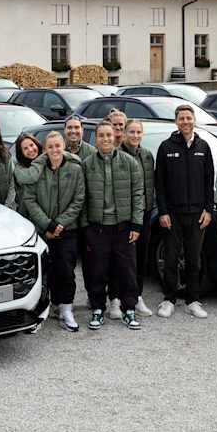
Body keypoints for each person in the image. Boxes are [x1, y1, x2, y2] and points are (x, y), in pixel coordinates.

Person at [81, 121, 144, 330]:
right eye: (101, 135)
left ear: (116, 137)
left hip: (123, 228)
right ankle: (98, 309)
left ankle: (129, 309)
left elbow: (138, 194)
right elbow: (82, 198)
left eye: (109, 135)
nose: (106, 139)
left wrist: (136, 224)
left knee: (127, 271)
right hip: (98, 228)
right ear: (96, 139)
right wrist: (86, 228)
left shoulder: (129, 162)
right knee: (97, 271)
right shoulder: (87, 164)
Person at [21, 131, 86, 332]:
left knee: (66, 270)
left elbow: (79, 199)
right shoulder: (36, 170)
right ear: (45, 149)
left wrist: (60, 223)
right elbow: (30, 199)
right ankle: (43, 308)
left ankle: (66, 309)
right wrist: (47, 224)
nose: (54, 150)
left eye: (58, 146)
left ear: (63, 146)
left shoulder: (75, 169)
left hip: (67, 229)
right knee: (44, 270)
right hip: (44, 230)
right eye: (50, 147)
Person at [154, 104, 214, 319]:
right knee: (170, 258)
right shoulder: (166, 147)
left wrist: (208, 210)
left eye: (189, 118)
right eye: (182, 118)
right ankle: (169, 299)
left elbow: (209, 181)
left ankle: (193, 300)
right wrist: (163, 211)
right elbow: (159, 183)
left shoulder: (203, 147)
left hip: (197, 214)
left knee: (194, 260)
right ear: (176, 121)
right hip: (173, 214)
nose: (186, 122)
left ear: (194, 120)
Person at [116, 119, 156, 318]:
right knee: (123, 261)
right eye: (131, 131)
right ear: (124, 133)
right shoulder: (117, 155)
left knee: (141, 258)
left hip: (145, 214)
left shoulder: (147, 155)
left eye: (138, 132)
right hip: (125, 216)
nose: (135, 135)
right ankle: (118, 298)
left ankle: (137, 296)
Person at [12, 133, 45, 220]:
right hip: (27, 216)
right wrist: (41, 159)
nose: (30, 150)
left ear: (36, 144)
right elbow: (32, 177)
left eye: (31, 145)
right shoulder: (19, 169)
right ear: (21, 152)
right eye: (25, 148)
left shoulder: (48, 161)